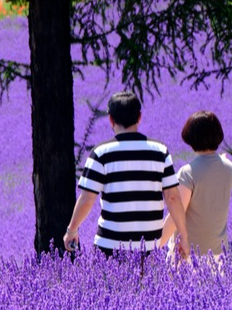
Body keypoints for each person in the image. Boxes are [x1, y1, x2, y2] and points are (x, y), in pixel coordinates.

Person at [63, 90, 191, 260]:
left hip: (110, 246)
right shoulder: (160, 152)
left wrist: (72, 230)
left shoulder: (101, 154)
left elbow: (87, 200)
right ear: (139, 117)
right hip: (150, 245)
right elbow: (173, 198)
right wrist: (183, 235)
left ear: (110, 119)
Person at [163, 110, 232, 257]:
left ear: (191, 139)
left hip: (188, 253)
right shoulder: (229, 168)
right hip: (218, 252)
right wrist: (222, 159)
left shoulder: (188, 173)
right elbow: (219, 177)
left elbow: (176, 214)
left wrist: (157, 243)